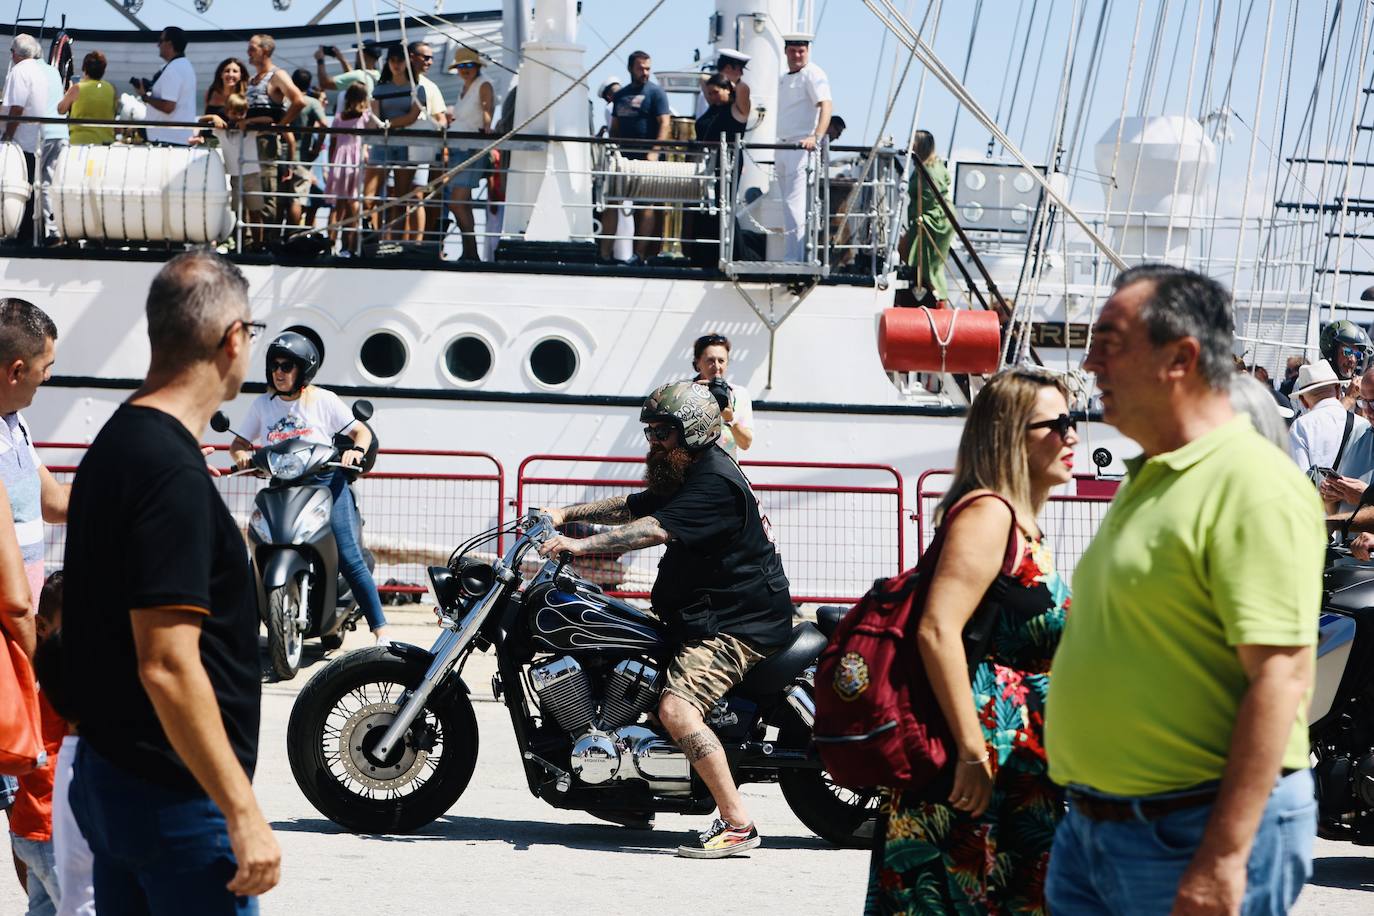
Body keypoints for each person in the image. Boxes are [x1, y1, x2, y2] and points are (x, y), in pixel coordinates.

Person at [1044, 264, 1321, 915]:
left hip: (1190, 834)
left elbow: (1280, 677)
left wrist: (1223, 857)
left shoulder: (1250, 484)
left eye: (1110, 343)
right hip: (1099, 829)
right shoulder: (1154, 475)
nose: (1089, 363)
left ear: (1181, 358)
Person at [63, 251, 280, 913]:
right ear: (233, 338)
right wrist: (241, 811)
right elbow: (166, 663)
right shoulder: (169, 473)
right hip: (176, 798)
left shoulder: (118, 442)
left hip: (113, 773)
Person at [536, 381, 794, 858]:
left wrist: (579, 545)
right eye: (650, 431)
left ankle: (738, 824)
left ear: (692, 431)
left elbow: (652, 529)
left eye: (663, 432)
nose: (653, 441)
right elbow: (634, 507)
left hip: (736, 625)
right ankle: (625, 796)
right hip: (706, 615)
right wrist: (563, 513)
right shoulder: (687, 470)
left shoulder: (713, 482)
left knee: (676, 709)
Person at [866, 369, 1073, 913]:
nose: (1073, 435)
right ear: (1010, 435)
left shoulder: (1020, 524)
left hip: (1015, 771)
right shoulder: (988, 514)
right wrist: (971, 751)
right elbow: (937, 629)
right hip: (972, 771)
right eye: (1058, 424)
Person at [228, 331, 388, 643]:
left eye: (287, 366)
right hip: (281, 486)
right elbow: (238, 445)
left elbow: (361, 433)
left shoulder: (322, 400)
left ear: (304, 370)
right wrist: (243, 458)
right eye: (274, 365)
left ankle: (382, 632)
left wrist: (356, 451)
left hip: (327, 484)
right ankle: (245, 635)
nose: (279, 372)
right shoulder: (262, 405)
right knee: (258, 553)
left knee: (349, 558)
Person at [9, 569, 65, 916]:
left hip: (30, 826)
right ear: (41, 625)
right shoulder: (65, 676)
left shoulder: (38, 673)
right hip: (51, 829)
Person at [603, 51, 671, 263]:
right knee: (613, 201)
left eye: (648, 68)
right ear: (630, 68)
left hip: (646, 158)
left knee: (646, 205)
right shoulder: (621, 95)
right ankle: (604, 253)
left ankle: (639, 255)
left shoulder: (656, 93)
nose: (645, 72)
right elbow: (615, 127)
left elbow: (665, 123)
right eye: (641, 68)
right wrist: (612, 150)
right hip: (623, 159)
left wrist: (654, 152)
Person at [1, 34, 69, 246]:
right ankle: (39, 232)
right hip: (47, 135)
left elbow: (17, 107)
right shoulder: (46, 71)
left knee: (24, 185)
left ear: (16, 53)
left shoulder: (20, 71)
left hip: (28, 139)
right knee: (40, 186)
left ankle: (25, 234)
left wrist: (7, 136)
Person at [775, 33, 832, 262]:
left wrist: (815, 137)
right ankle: (791, 254)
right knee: (786, 203)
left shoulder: (813, 73)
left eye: (802, 51)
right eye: (793, 50)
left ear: (808, 51)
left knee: (794, 203)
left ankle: (795, 258)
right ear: (786, 51)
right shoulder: (783, 78)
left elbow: (826, 105)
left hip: (801, 146)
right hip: (782, 144)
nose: (797, 55)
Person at [244, 34, 306, 236]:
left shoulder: (276, 75)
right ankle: (255, 241)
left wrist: (280, 126)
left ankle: (268, 241)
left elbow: (298, 100)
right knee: (252, 194)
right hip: (250, 141)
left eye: (252, 48)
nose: (248, 52)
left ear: (265, 50)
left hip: (265, 142)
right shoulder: (253, 79)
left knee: (266, 195)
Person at [367, 45, 426, 242]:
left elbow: (412, 116)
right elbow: (375, 115)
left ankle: (395, 242)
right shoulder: (380, 88)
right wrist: (382, 124)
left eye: (400, 60)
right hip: (382, 143)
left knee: (401, 198)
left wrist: (388, 124)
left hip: (405, 145)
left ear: (407, 62)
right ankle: (373, 238)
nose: (396, 64)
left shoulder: (418, 89)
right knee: (371, 196)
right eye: (392, 60)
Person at [444, 47, 494, 262]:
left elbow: (487, 112)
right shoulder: (465, 87)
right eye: (461, 66)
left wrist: (487, 133)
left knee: (457, 203)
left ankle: (471, 251)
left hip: (471, 149)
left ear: (477, 66)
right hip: (458, 149)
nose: (465, 69)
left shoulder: (483, 84)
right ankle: (469, 252)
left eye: (469, 65)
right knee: (463, 203)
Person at [326, 84, 383, 250]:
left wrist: (330, 164)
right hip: (356, 160)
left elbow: (333, 143)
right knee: (354, 204)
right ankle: (351, 246)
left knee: (338, 206)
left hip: (339, 161)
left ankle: (330, 244)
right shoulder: (365, 117)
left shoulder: (339, 117)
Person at [902, 130, 954, 308]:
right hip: (928, 217)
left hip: (934, 220)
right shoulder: (924, 166)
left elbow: (933, 196)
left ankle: (939, 302)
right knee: (918, 260)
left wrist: (922, 217)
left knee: (930, 265)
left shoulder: (931, 170)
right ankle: (926, 295)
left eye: (912, 143)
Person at [1289, 359, 1364, 479]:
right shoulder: (1363, 424)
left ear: (1303, 401)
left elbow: (1299, 478)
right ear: (1338, 390)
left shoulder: (1301, 426)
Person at [210, 94, 265, 243]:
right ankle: (240, 244)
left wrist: (248, 121)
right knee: (238, 214)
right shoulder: (222, 130)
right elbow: (201, 120)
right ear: (227, 111)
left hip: (252, 176)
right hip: (235, 177)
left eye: (242, 113)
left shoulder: (250, 130)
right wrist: (214, 117)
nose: (238, 116)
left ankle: (258, 245)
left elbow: (270, 120)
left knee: (255, 212)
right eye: (234, 112)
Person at [691, 333, 753, 458]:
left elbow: (746, 444)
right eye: (710, 360)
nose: (717, 366)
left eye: (721, 360)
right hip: (694, 469)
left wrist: (730, 419)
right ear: (697, 363)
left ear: (727, 363)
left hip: (726, 469)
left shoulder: (738, 394)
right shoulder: (684, 392)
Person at [139, 27, 197, 146]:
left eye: (160, 41)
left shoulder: (173, 69)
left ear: (169, 44)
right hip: (175, 138)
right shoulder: (184, 65)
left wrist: (145, 97)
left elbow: (168, 106)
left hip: (168, 140)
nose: (158, 45)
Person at [286, 69, 328, 228]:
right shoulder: (312, 102)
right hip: (301, 157)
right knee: (297, 198)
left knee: (280, 199)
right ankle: (292, 234)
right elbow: (324, 124)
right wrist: (316, 148)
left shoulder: (285, 101)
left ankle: (276, 236)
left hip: (280, 154)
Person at [57, 52, 115, 146]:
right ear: (103, 70)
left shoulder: (77, 88)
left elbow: (61, 109)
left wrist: (68, 93)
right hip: (104, 142)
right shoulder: (110, 88)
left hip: (80, 141)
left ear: (84, 68)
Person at [315, 40, 381, 98]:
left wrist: (320, 60)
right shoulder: (377, 74)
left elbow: (325, 83)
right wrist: (342, 59)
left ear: (362, 55)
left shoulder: (359, 75)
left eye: (358, 51)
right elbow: (351, 76)